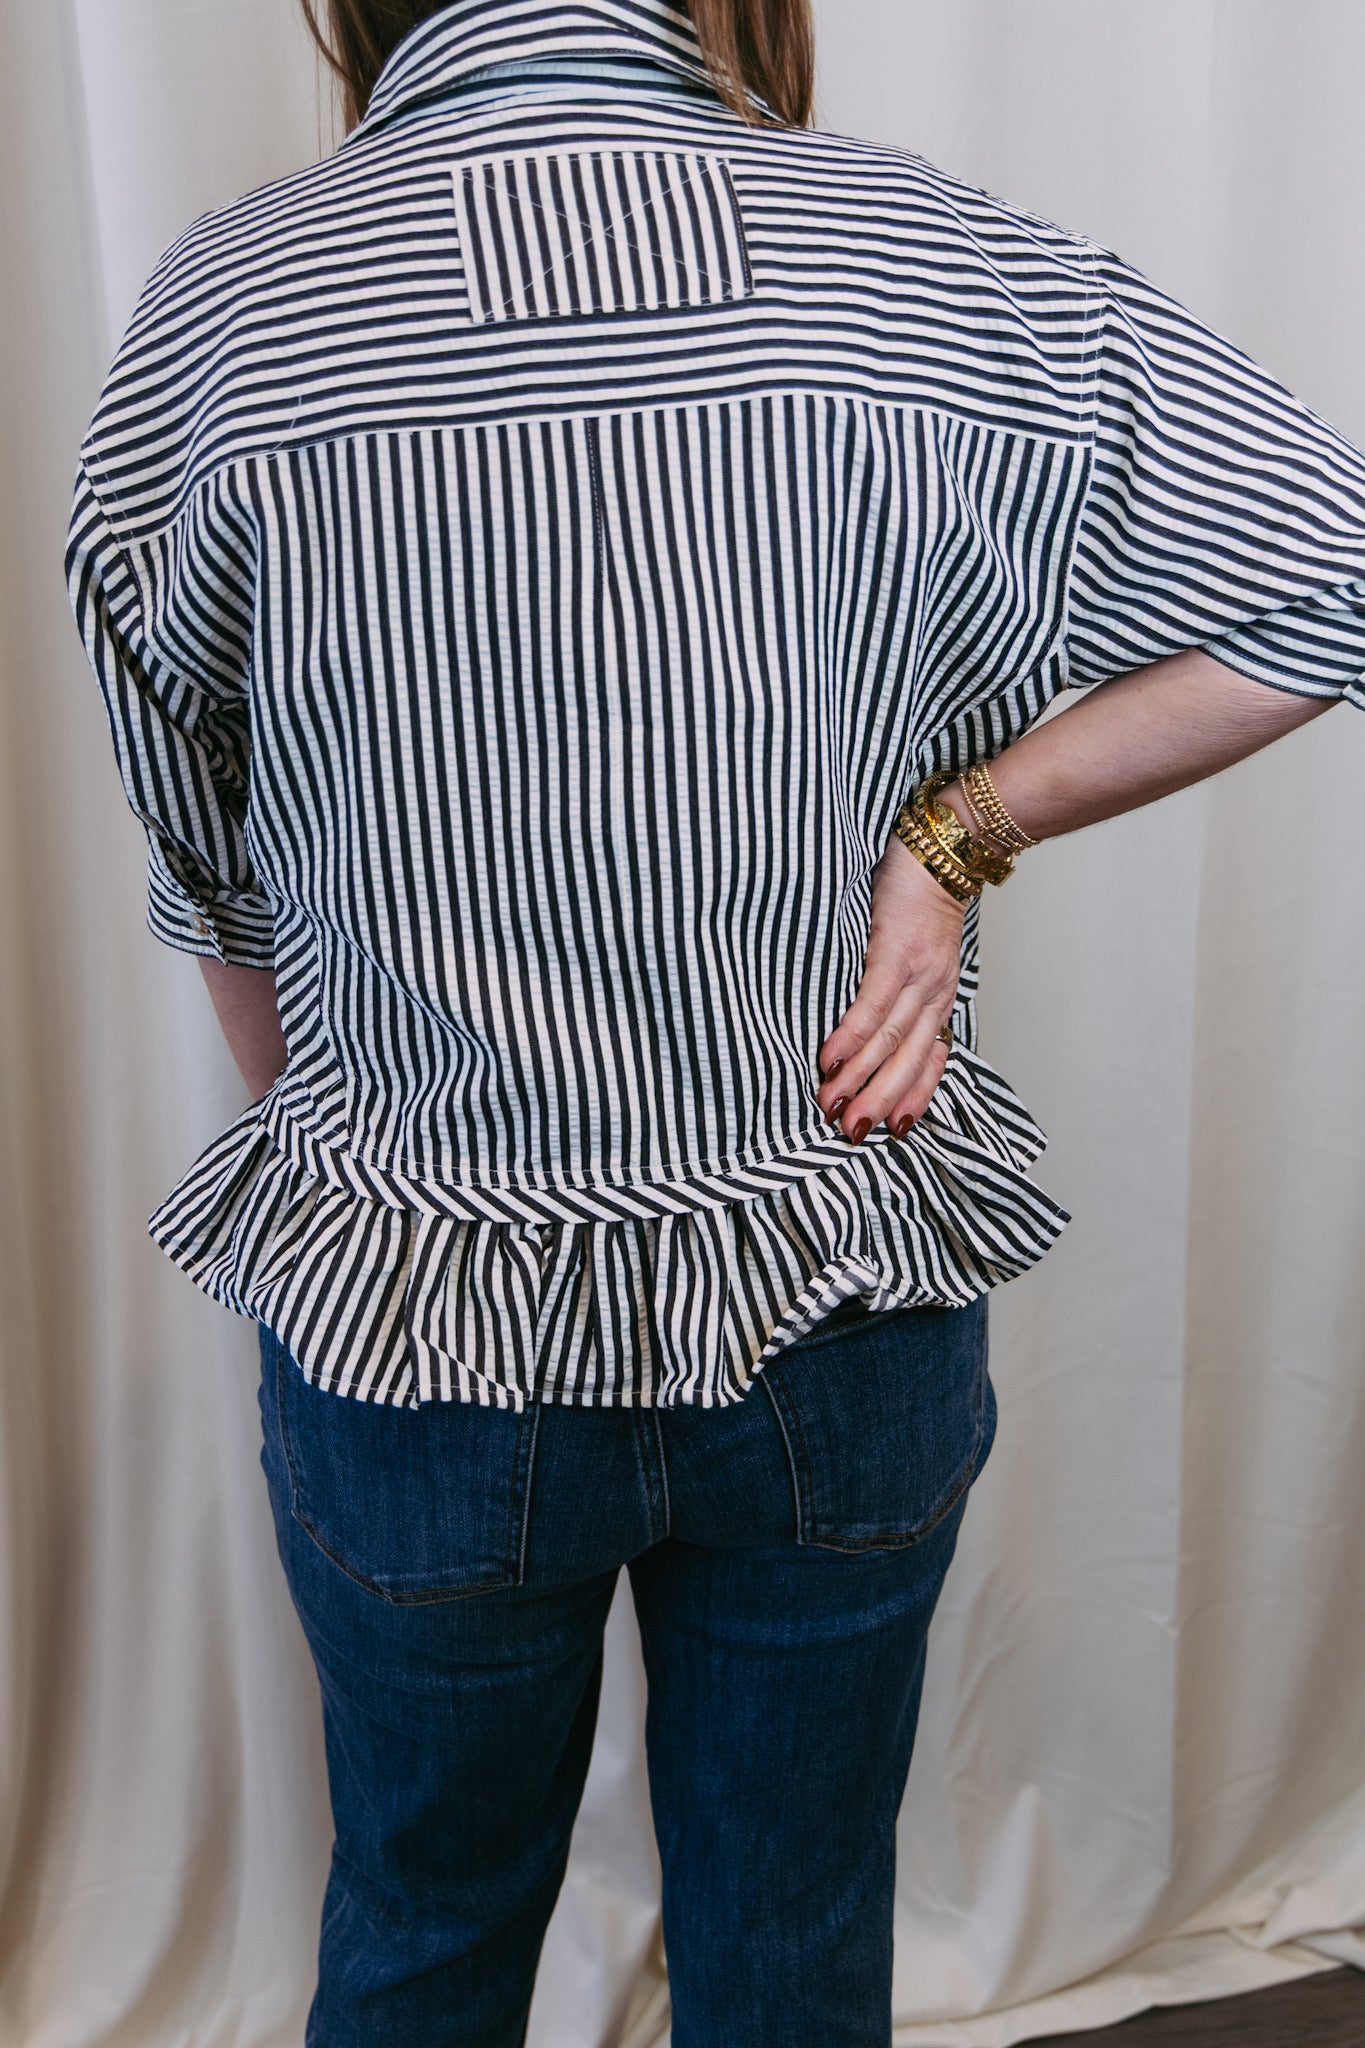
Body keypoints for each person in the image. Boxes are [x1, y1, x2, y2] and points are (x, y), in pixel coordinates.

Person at [66, 1, 1365, 2042]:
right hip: (835, 1277)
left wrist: (390, 1179)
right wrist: (953, 833)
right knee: (789, 1937)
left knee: (419, 1925)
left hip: (418, 1323)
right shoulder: (923, 253)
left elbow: (212, 862)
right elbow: (1331, 560)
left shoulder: (232, 305)